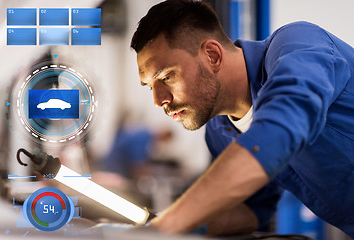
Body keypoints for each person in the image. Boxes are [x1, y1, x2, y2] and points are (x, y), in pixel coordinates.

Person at [130, 0, 354, 237]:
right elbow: (252, 208)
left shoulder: (300, 44)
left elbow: (279, 132)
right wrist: (169, 226)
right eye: (149, 86)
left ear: (213, 55)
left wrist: (165, 227)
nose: (158, 100)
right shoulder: (219, 131)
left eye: (166, 76)